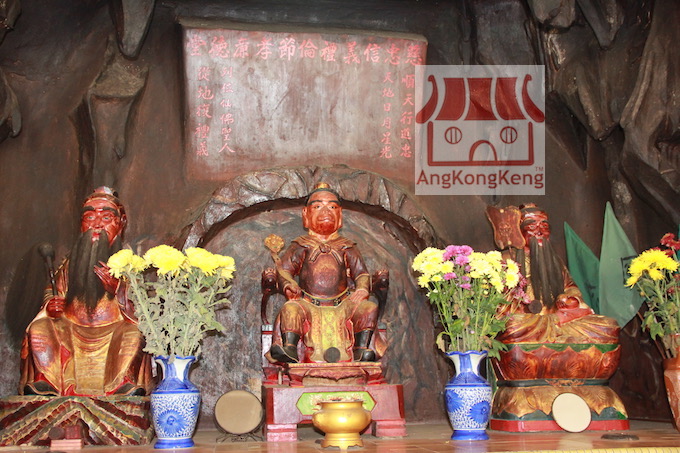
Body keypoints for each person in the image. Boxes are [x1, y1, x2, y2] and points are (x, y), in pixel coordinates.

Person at [19, 187, 152, 396]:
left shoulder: (129, 264)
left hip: (113, 330)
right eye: (89, 217)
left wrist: (118, 289)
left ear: (121, 223)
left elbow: (143, 308)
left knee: (133, 334)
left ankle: (121, 384)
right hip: (69, 329)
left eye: (106, 217)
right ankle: (48, 381)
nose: (97, 224)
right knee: (40, 329)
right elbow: (53, 292)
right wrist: (51, 306)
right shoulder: (70, 264)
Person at [267, 183, 381, 364]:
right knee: (290, 308)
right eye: (318, 206)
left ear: (340, 214)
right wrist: (289, 284)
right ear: (306, 214)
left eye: (332, 207)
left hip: (343, 304)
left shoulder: (347, 246)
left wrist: (362, 289)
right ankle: (289, 348)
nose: (326, 211)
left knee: (369, 308)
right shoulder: (301, 244)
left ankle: (361, 350)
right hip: (308, 303)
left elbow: (361, 273)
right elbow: (285, 271)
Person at [495, 203, 619, 343]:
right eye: (532, 227)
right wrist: (522, 306)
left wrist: (569, 298)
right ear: (518, 231)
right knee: (513, 327)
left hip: (560, 319)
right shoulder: (505, 259)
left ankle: (559, 334)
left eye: (544, 226)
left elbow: (570, 287)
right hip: (530, 322)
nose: (540, 231)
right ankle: (560, 335)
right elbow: (501, 306)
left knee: (609, 326)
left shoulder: (555, 261)